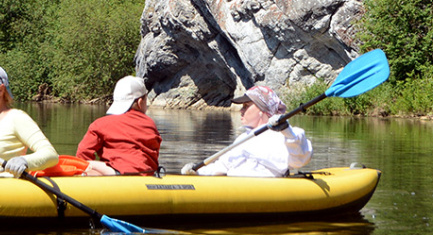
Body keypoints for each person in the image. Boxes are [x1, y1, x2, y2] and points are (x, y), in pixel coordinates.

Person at [183, 83, 311, 177]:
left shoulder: (287, 135)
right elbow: (222, 166)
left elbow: (299, 160)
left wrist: (286, 130)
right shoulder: (243, 138)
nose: (241, 110)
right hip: (234, 188)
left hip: (265, 191)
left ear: (262, 111)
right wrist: (197, 172)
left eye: (246, 106)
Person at [75, 74, 162, 175]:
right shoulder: (150, 123)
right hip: (146, 173)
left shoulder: (100, 124)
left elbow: (83, 151)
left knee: (83, 163)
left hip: (116, 173)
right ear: (140, 102)